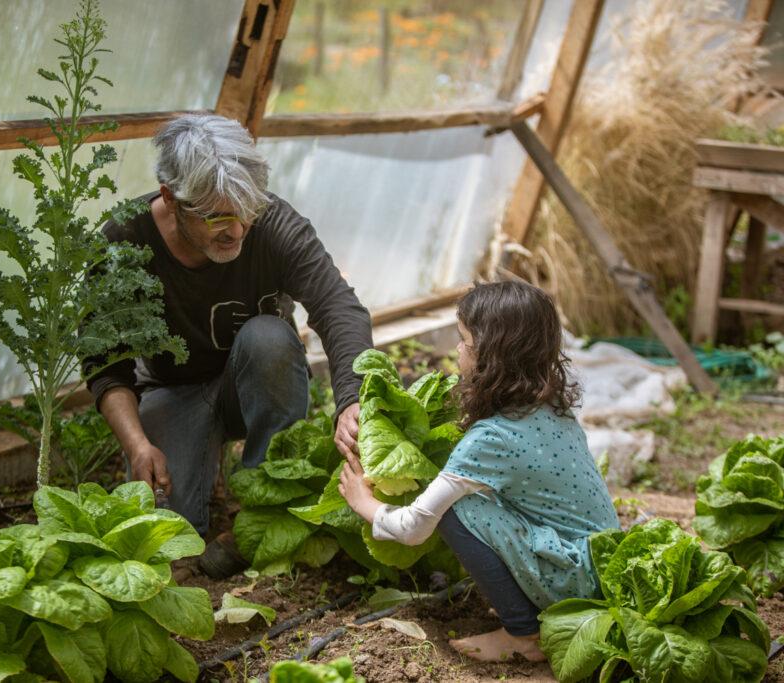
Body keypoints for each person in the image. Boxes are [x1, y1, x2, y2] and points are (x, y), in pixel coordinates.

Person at [82, 113, 372, 577]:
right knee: (171, 538)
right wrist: (137, 445)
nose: (237, 229)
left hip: (254, 380)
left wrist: (352, 400)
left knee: (270, 337)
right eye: (218, 216)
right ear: (169, 197)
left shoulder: (275, 225)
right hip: (171, 390)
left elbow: (340, 309)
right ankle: (203, 459)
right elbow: (105, 363)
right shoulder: (125, 240)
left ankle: (263, 499)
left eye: (247, 211)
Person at [338, 280, 619, 663]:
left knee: (456, 510)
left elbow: (414, 528)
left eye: (463, 339)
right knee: (477, 494)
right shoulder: (553, 406)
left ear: (490, 355)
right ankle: (532, 606)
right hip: (604, 566)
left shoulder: (491, 439)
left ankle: (524, 634)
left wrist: (363, 502)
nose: (456, 349)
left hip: (573, 582)